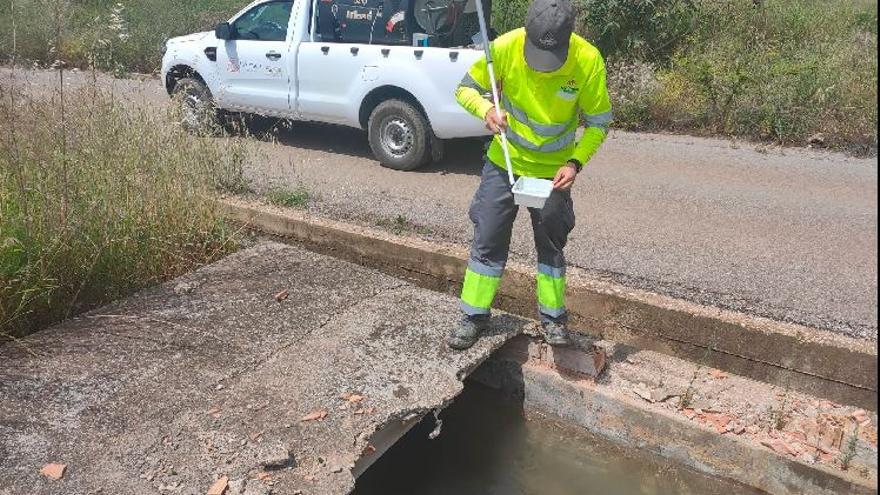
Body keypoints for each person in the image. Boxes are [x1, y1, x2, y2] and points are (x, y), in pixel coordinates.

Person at [448, 0, 612, 350]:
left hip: (554, 174)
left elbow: (598, 123)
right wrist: (486, 109)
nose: (542, 68)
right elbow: (464, 89)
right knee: (488, 238)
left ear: (569, 41)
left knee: (551, 247)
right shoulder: (505, 47)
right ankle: (474, 316)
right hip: (504, 163)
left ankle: (554, 320)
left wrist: (575, 163)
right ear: (527, 37)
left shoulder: (587, 60)